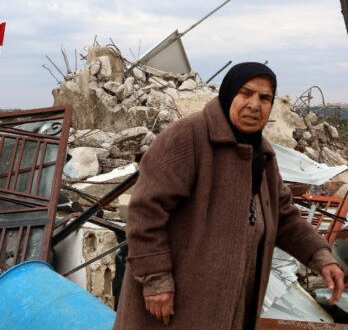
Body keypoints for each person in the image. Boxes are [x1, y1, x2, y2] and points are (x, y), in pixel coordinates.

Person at [113, 62, 344, 330]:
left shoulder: (261, 152)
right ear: (229, 94)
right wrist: (155, 280)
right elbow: (145, 213)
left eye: (265, 98)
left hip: (230, 303)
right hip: (177, 300)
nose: (254, 105)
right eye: (245, 93)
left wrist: (320, 256)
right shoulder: (188, 137)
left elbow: (283, 215)